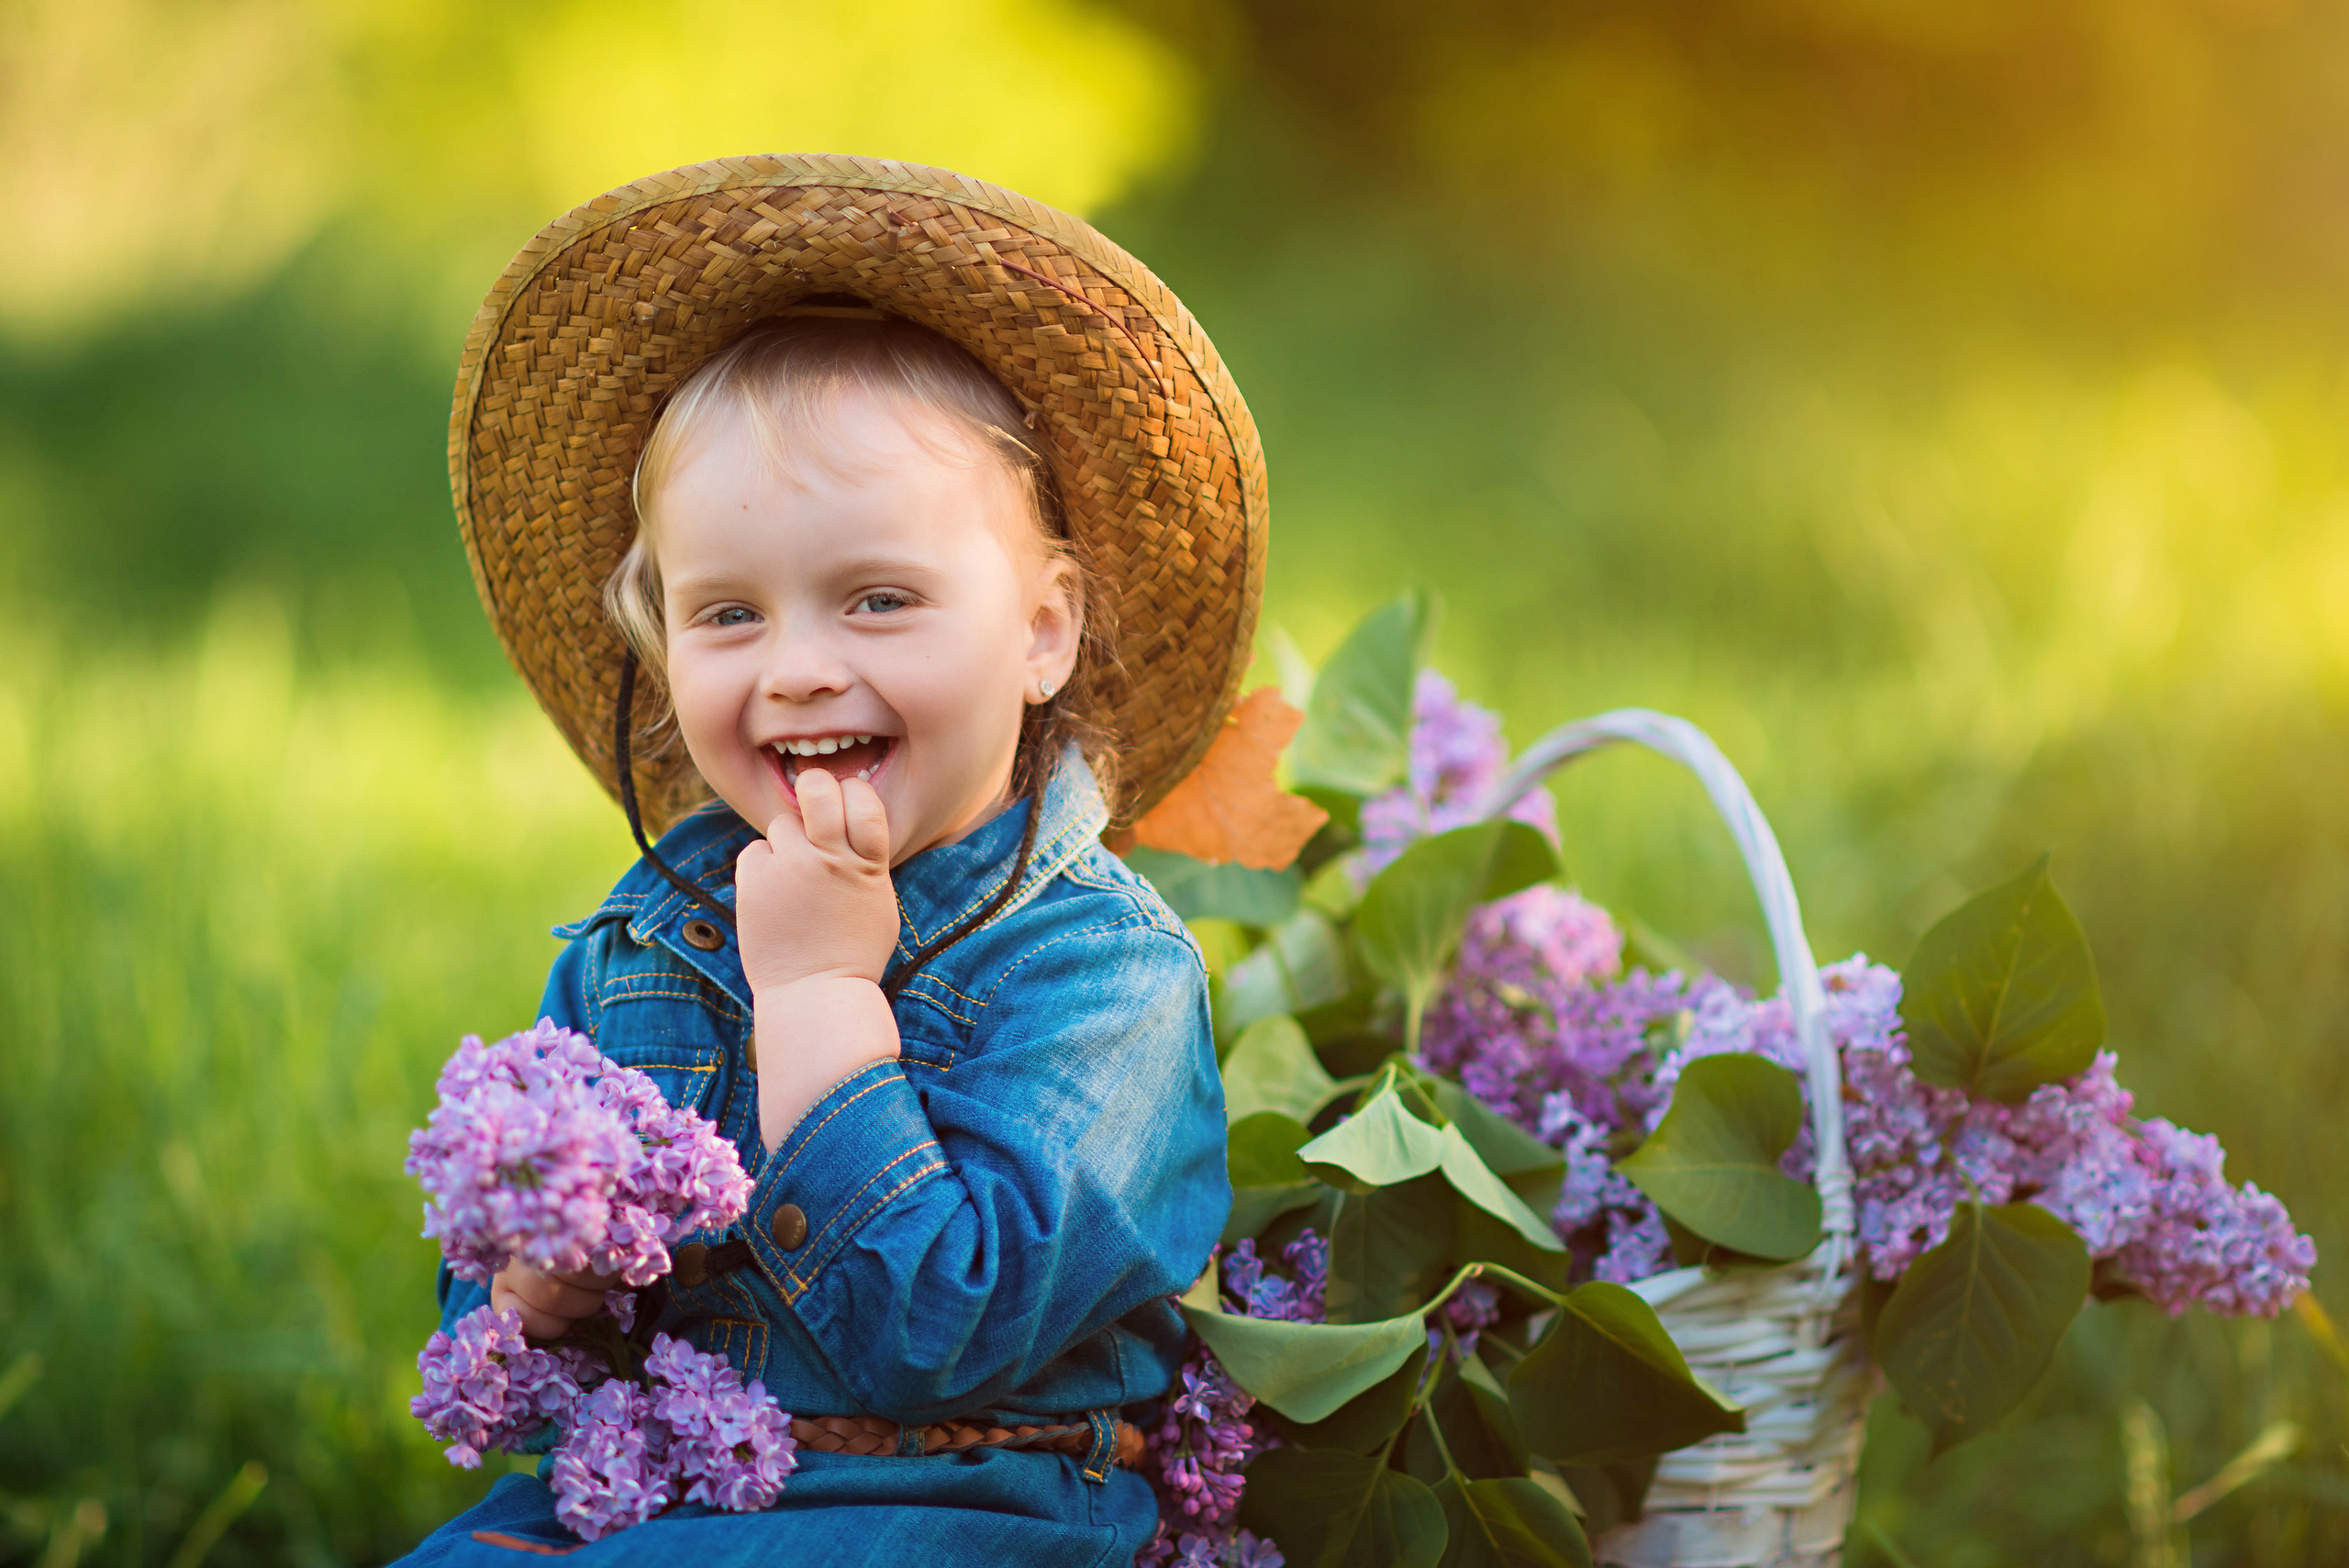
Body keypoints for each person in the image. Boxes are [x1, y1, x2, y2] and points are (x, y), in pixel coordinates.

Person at [396, 155, 1269, 1564]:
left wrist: (815, 999)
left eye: (879, 598)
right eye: (730, 614)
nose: (799, 669)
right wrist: (530, 1293)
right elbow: (513, 1354)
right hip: (668, 1498)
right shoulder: (639, 948)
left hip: (960, 1504)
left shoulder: (1105, 977)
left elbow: (937, 1333)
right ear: (662, 640)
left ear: (1042, 630)